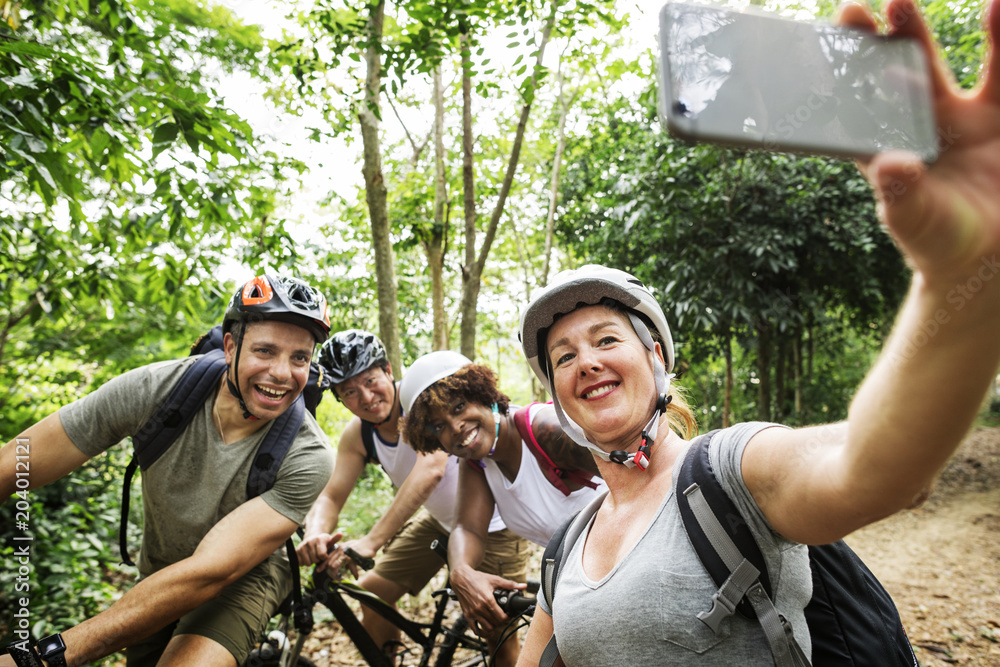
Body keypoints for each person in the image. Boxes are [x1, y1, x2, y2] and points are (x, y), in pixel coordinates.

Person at [513, 0, 1000, 662]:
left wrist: (961, 278)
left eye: (605, 339)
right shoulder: (565, 547)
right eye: (563, 355)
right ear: (555, 394)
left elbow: (878, 468)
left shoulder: (729, 471)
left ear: (655, 357)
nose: (585, 362)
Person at [0, 274, 334, 667]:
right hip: (161, 567)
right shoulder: (157, 390)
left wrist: (44, 658)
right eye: (265, 350)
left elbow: (211, 572)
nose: (282, 373)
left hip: (243, 576)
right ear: (231, 347)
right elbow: (16, 463)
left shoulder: (309, 454)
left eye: (300, 358)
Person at [295, 330, 531, 665]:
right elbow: (331, 496)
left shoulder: (422, 401)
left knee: (498, 630)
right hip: (441, 521)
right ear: (340, 398)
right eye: (350, 391)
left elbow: (430, 471)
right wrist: (316, 532)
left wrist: (371, 542)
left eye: (371, 380)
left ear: (389, 371)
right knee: (373, 592)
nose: (366, 396)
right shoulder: (359, 435)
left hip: (494, 524)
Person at [398, 350, 607, 644]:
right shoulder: (479, 462)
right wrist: (461, 573)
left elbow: (640, 477)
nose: (455, 427)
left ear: (483, 395)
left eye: (458, 407)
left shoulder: (545, 430)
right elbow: (467, 528)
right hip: (576, 585)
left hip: (622, 573)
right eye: (439, 426)